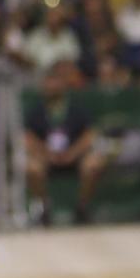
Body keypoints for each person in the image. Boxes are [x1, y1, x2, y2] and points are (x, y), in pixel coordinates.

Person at [24, 62, 107, 225]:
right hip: (47, 158)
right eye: (49, 81)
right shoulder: (36, 110)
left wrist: (72, 154)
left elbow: (89, 134)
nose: (52, 86)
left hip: (74, 157)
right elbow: (28, 137)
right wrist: (46, 154)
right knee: (31, 167)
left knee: (94, 164)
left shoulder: (77, 107)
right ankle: (43, 206)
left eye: (56, 81)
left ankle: (82, 207)